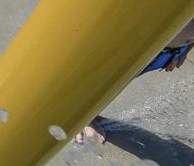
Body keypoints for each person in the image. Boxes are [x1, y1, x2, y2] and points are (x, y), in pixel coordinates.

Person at [75, 15, 193, 144]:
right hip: (148, 45)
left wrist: (185, 50)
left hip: (171, 52)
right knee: (111, 79)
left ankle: (89, 113)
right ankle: (81, 117)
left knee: (120, 83)